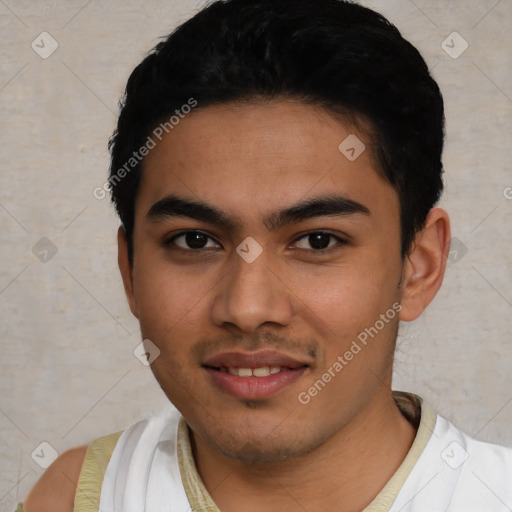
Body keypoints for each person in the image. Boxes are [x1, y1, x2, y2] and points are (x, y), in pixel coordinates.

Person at [22, 0, 512, 510]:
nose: (247, 308)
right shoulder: (75, 497)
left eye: (317, 241)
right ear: (130, 271)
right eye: (194, 241)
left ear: (419, 265)